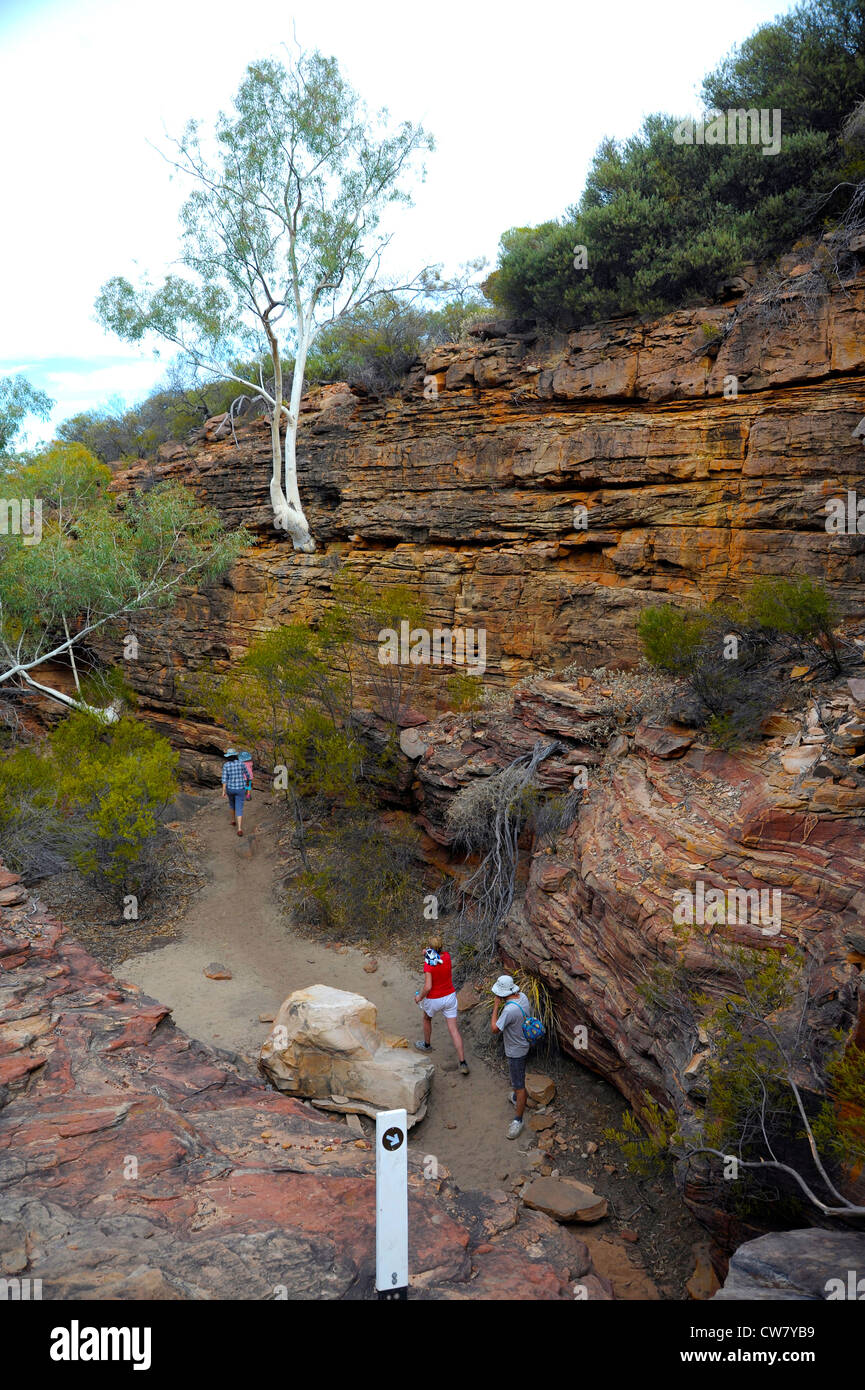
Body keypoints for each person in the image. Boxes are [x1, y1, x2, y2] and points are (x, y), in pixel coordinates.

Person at [413, 936, 469, 1075]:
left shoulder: (428, 965)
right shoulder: (447, 957)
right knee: (453, 1029)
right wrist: (427, 952)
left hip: (434, 999)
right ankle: (462, 1062)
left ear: (430, 948)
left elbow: (428, 986)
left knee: (427, 1018)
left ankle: (427, 1045)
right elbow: (437, 956)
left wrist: (419, 997)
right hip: (450, 997)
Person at [490, 975, 531, 1139]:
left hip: (516, 1051)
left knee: (519, 1084)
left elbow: (494, 1028)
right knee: (518, 1077)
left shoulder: (509, 1010)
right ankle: (516, 1097)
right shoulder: (523, 997)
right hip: (524, 1043)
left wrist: (495, 1007)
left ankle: (518, 1120)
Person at [221, 748, 250, 837]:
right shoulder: (241, 763)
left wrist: (223, 791)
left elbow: (224, 779)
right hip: (240, 788)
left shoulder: (226, 765)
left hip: (230, 789)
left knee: (231, 804)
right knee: (239, 808)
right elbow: (247, 774)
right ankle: (239, 829)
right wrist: (248, 781)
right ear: (235, 755)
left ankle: (233, 821)